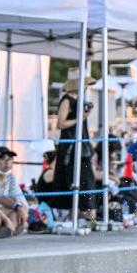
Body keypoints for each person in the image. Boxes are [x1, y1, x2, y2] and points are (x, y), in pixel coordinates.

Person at [51, 77, 97, 220]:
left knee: (85, 178)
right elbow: (60, 124)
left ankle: (82, 211)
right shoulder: (66, 100)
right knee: (73, 177)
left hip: (80, 143)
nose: (86, 88)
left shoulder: (77, 99)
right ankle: (76, 212)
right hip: (71, 146)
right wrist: (80, 118)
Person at [0, 145, 29, 235]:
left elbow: (18, 200)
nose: (7, 162)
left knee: (21, 211)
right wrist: (17, 208)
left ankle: (8, 230)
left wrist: (20, 209)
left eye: (10, 159)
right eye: (3, 158)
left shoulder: (10, 177)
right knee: (19, 217)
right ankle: (11, 228)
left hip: (7, 211)